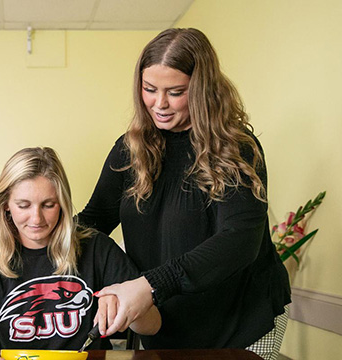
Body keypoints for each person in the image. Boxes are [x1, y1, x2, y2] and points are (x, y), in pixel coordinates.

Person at [77, 28, 291, 359]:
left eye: (176, 92)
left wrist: (150, 285)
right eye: (149, 89)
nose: (159, 104)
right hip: (168, 326)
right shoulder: (129, 149)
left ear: (202, 91)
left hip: (240, 323)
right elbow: (93, 221)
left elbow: (239, 241)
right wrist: (28, 242)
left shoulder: (235, 150)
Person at [0, 147, 161, 360]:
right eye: (23, 205)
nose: (36, 219)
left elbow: (153, 325)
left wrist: (128, 304)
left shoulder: (98, 249)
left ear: (63, 204)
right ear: (5, 204)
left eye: (48, 205)